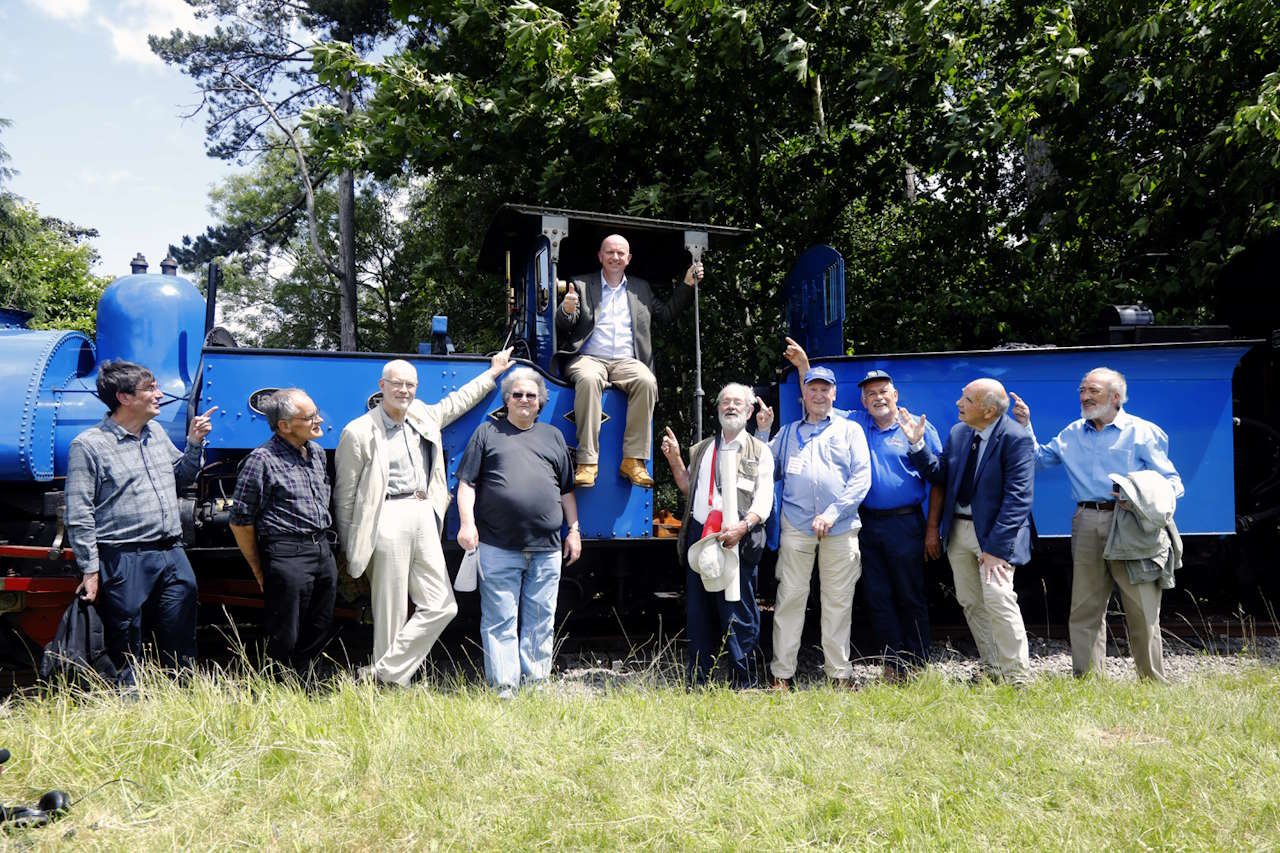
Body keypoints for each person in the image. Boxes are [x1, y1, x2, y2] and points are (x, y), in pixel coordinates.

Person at [764, 340, 944, 680]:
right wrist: (803, 366)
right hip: (859, 525)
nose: (877, 397)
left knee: (908, 594)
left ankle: (915, 665)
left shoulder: (902, 427)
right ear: (862, 401)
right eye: (871, 393)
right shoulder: (844, 425)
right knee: (876, 597)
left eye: (883, 391)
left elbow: (936, 478)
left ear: (895, 395)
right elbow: (812, 407)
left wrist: (932, 527)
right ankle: (892, 664)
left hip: (896, 524)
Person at [334, 349, 512, 687]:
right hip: (385, 516)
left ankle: (382, 674)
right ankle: (388, 688)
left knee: (442, 605)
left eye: (410, 385)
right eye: (397, 384)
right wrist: (351, 544)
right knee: (391, 609)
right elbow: (344, 496)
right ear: (381, 386)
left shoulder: (421, 414)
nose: (404, 390)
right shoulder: (358, 432)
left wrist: (492, 374)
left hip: (423, 511)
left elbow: (457, 402)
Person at [1011, 368, 1183, 681]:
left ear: (1116, 398)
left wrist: (1146, 501)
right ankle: (1088, 681)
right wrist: (1025, 426)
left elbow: (1172, 481)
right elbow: (1038, 458)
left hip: (1132, 523)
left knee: (1142, 609)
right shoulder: (1073, 432)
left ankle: (1152, 682)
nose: (1086, 397)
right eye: (1082, 390)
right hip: (1086, 519)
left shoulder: (1143, 432)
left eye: (1094, 390)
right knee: (1085, 607)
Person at [64, 359, 217, 686]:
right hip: (124, 558)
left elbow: (182, 477)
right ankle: (129, 705)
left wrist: (193, 443)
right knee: (126, 642)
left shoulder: (156, 433)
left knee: (180, 636)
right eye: (150, 389)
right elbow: (79, 512)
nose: (160, 394)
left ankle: (182, 697)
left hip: (172, 553)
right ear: (124, 398)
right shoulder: (89, 445)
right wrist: (90, 569)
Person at [898, 378, 1035, 683]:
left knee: (999, 600)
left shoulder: (1015, 438)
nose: (959, 403)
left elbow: (1019, 498)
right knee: (971, 602)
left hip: (995, 537)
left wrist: (996, 549)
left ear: (988, 411)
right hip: (959, 532)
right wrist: (916, 444)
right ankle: (993, 669)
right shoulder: (959, 433)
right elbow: (939, 474)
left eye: (967, 399)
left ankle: (1018, 678)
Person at [455, 368, 580, 697]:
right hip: (498, 546)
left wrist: (574, 531)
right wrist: (467, 524)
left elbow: (566, 491)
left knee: (541, 620)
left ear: (541, 402)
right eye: (517, 394)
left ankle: (537, 686)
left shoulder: (553, 436)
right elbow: (466, 483)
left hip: (548, 548)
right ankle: (504, 689)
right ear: (506, 400)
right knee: (500, 621)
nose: (524, 399)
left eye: (531, 395)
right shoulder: (487, 432)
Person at [556, 233, 703, 489]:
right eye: (610, 252)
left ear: (629, 258)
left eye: (620, 253)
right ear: (600, 256)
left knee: (646, 380)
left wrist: (687, 284)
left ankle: (633, 460)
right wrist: (566, 310)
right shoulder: (580, 284)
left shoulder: (640, 288)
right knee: (590, 379)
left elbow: (666, 315)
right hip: (589, 357)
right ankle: (587, 463)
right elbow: (563, 326)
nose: (615, 257)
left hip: (626, 360)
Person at [756, 365, 870, 689]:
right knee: (790, 598)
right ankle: (782, 674)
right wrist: (763, 432)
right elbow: (764, 469)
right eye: (812, 389)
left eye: (825, 389)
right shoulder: (789, 432)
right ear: (803, 395)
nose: (819, 395)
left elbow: (861, 479)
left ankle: (839, 674)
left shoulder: (850, 431)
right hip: (797, 527)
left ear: (834, 393)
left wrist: (833, 513)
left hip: (842, 527)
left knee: (837, 601)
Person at [660, 383, 773, 687]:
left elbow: (765, 500)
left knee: (738, 611)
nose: (731, 407)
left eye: (738, 403)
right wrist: (674, 458)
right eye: (725, 402)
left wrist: (742, 526)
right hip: (702, 534)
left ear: (749, 411)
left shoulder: (760, 450)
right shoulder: (702, 449)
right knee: (698, 612)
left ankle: (744, 683)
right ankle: (699, 682)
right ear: (719, 409)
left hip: (739, 533)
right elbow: (687, 487)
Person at [229, 389, 336, 676]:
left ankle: (308, 684)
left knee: (320, 624)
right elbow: (240, 520)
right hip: (287, 554)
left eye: (317, 413)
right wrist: (258, 567)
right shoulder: (260, 461)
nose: (319, 420)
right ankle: (277, 686)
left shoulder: (316, 453)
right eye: (310, 417)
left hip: (321, 548)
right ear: (284, 426)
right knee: (285, 631)